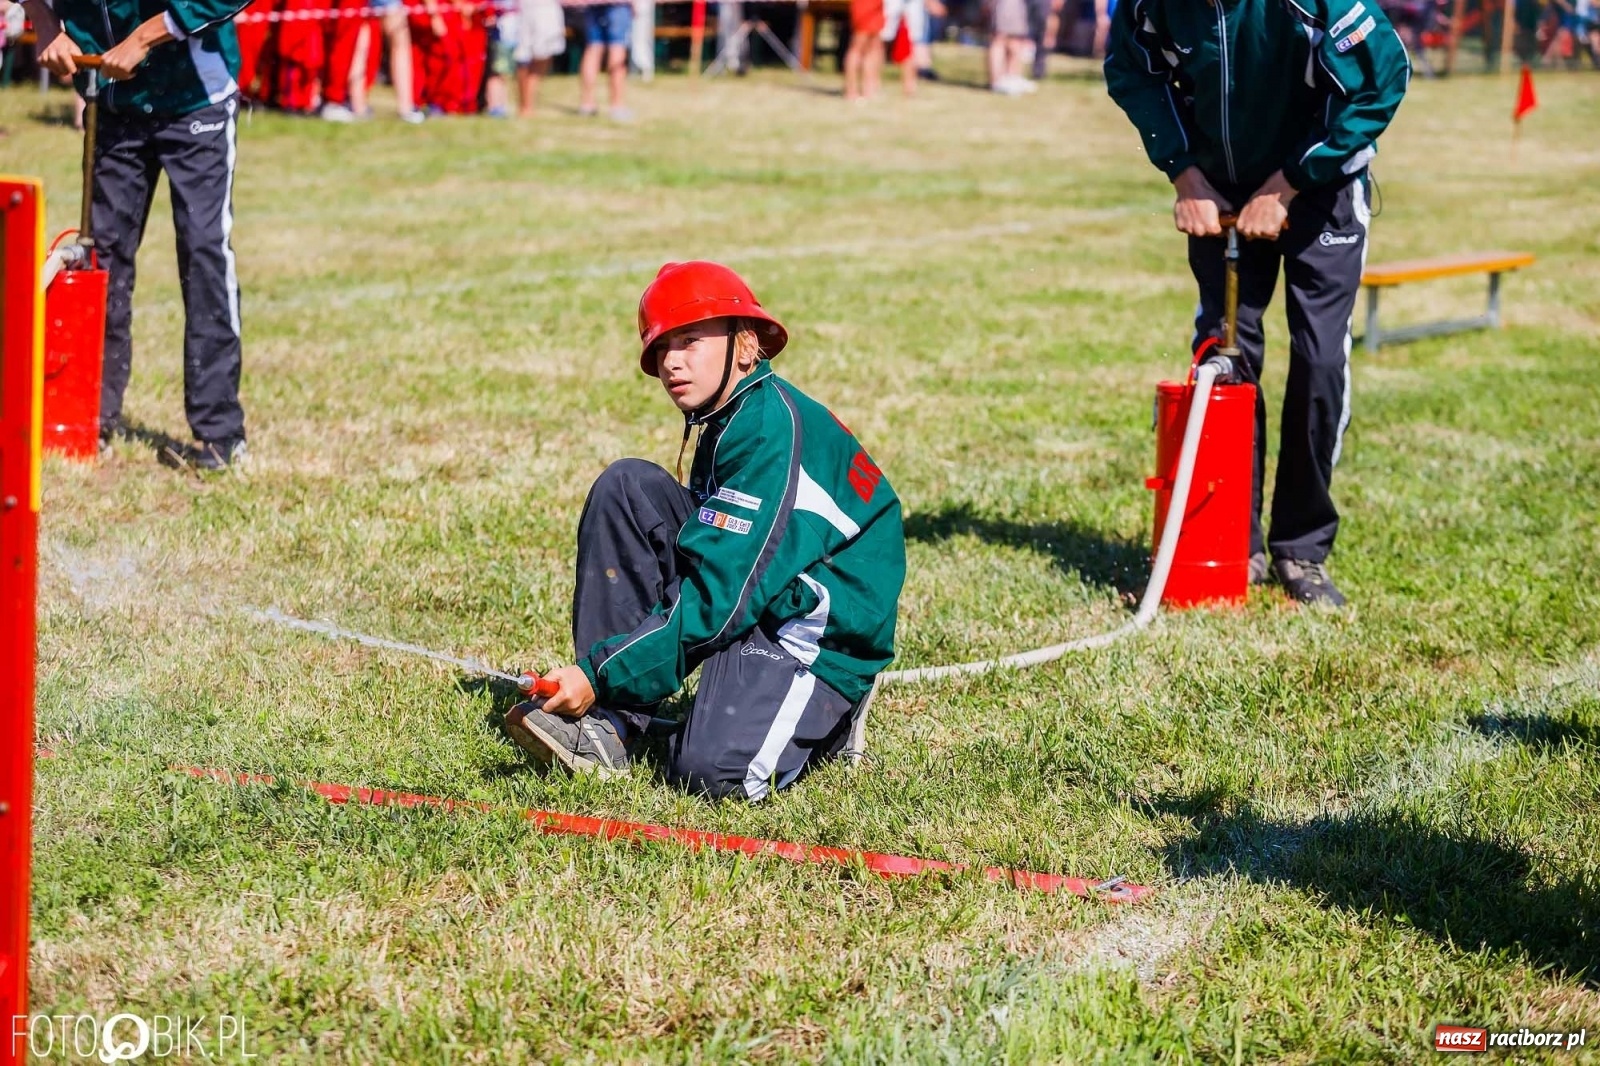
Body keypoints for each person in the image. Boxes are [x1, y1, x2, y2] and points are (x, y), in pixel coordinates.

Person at [505, 262, 906, 800]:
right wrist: (606, 683)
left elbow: (722, 595)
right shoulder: (729, 416)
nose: (671, 362)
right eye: (662, 347)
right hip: (762, 592)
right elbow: (719, 568)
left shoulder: (768, 429)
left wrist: (595, 673)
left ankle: (833, 719)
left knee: (711, 776)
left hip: (816, 631)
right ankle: (611, 724)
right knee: (629, 487)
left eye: (690, 341)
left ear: (745, 347)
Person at [1105, 0, 1410, 608]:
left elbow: (1383, 78)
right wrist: (1184, 172)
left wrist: (1291, 181)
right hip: (1218, 188)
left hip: (1321, 187)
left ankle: (1301, 548)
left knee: (1320, 359)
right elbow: (1130, 66)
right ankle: (1231, 540)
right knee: (1226, 358)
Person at [26, 0, 254, 469]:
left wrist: (145, 37)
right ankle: (90, 419)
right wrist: (46, 24)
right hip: (113, 104)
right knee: (101, 261)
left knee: (204, 254)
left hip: (196, 103)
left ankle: (220, 434)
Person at [579, 0, 631, 120]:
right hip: (618, 5)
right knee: (617, 48)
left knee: (593, 48)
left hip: (592, 4)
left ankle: (587, 104)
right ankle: (617, 106)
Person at [844, 0, 884, 101]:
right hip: (864, 5)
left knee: (872, 47)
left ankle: (868, 90)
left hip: (877, 6)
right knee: (857, 46)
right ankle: (851, 91)